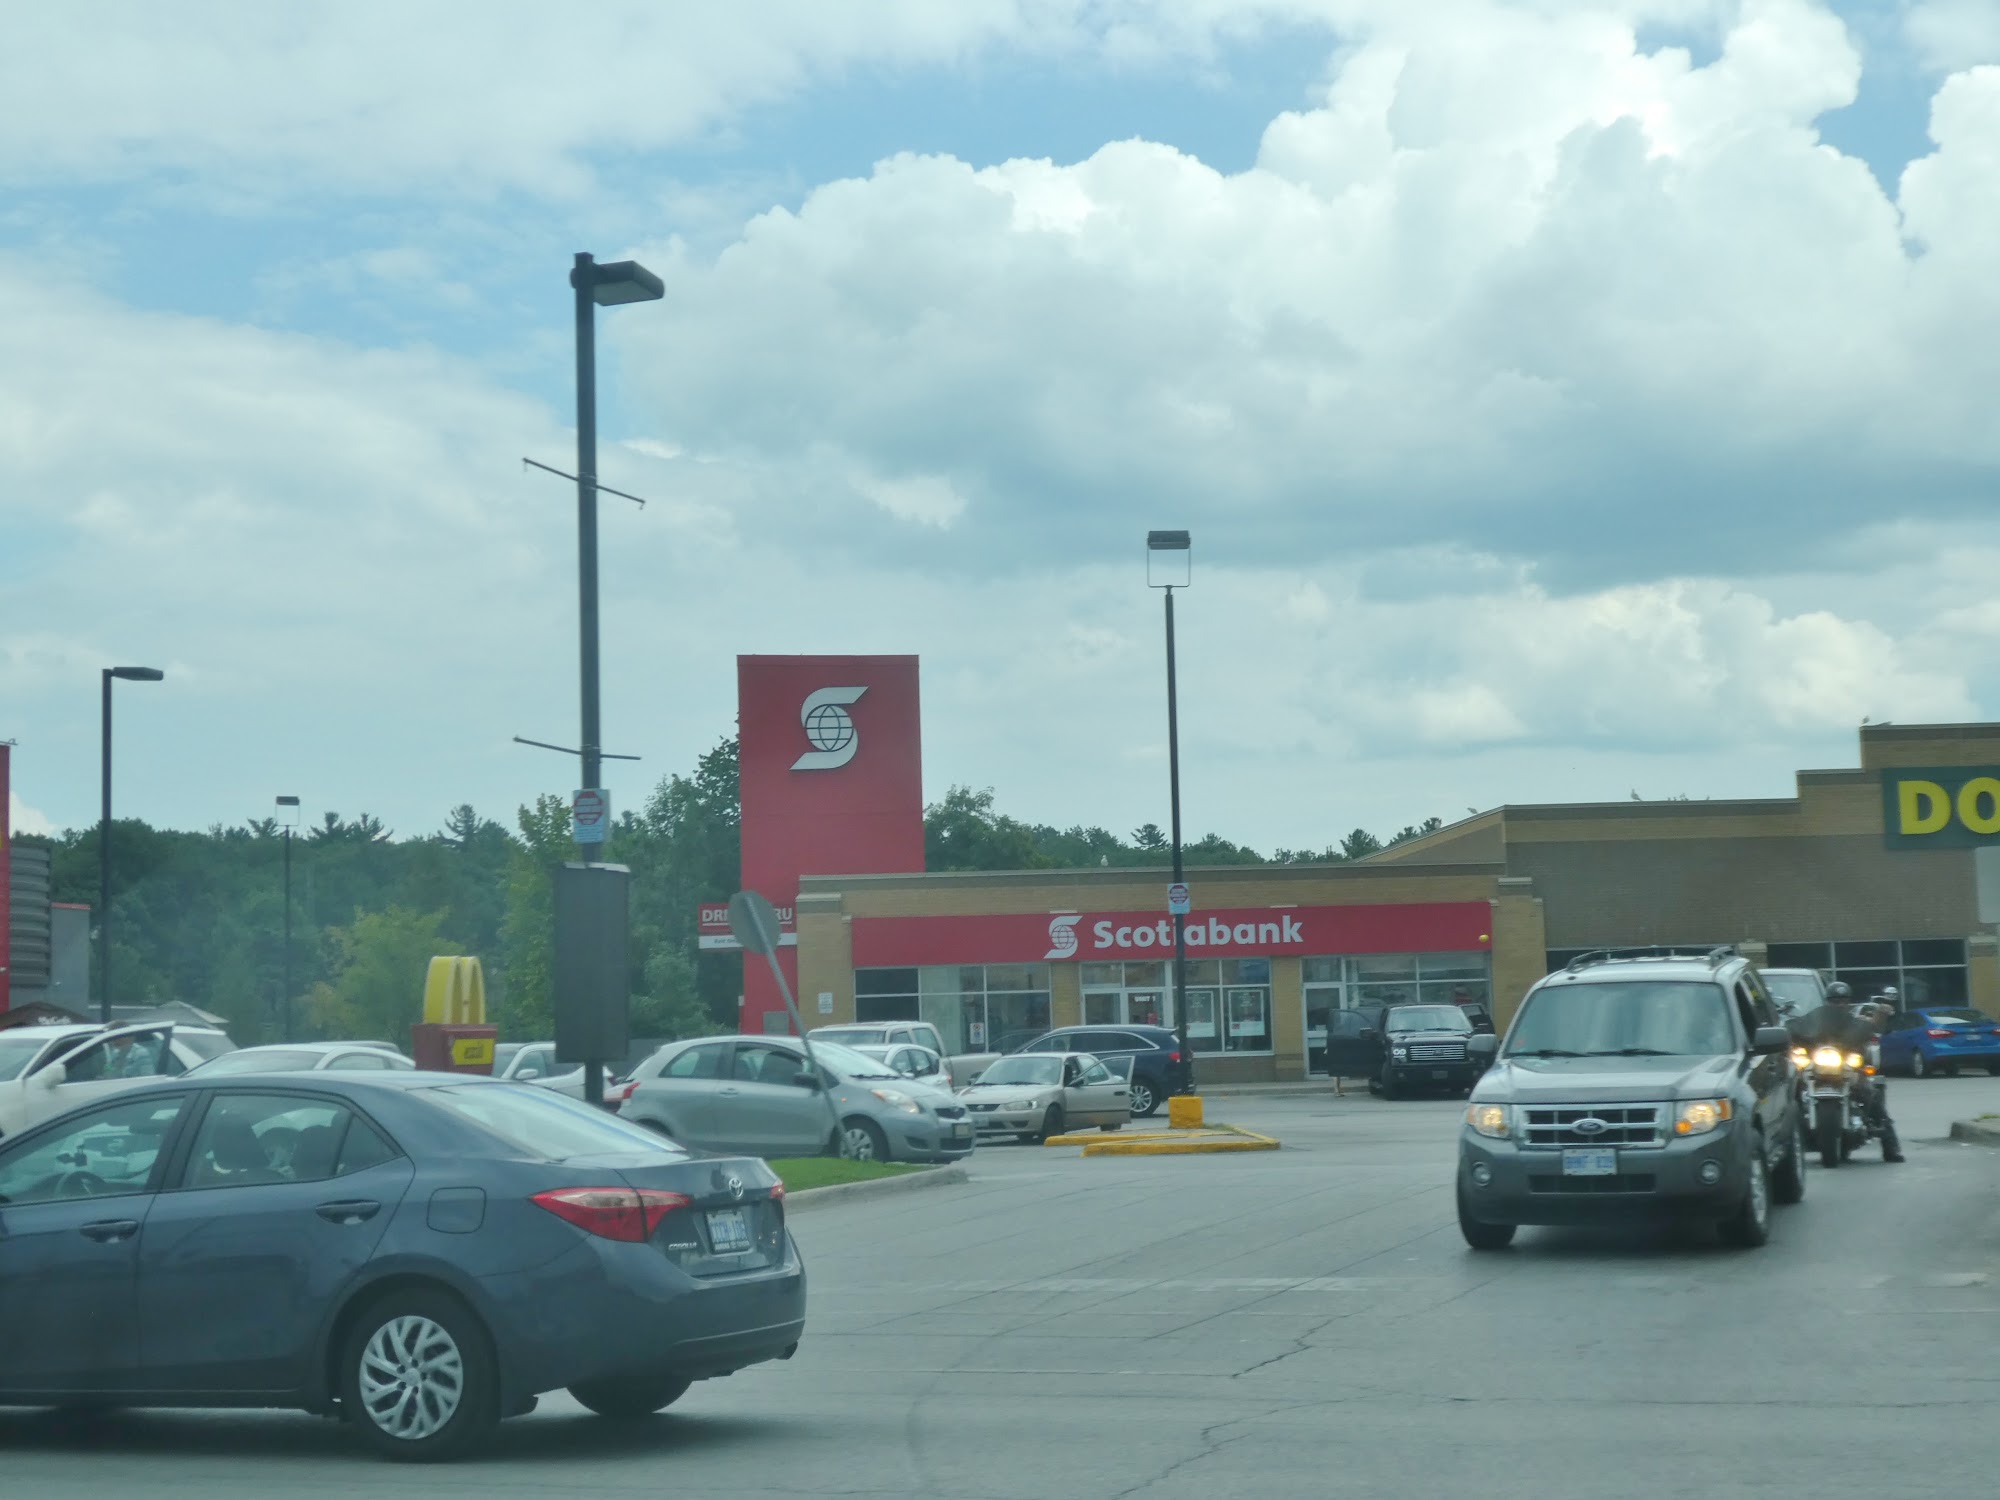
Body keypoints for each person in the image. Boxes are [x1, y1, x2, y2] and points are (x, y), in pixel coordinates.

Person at [1788, 987, 1903, 1162]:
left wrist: (1879, 1017)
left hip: (1848, 1069)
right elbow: (1797, 1033)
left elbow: (1870, 1029)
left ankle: (1891, 1147)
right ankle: (1786, 1141)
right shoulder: (1815, 1023)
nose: (1840, 1004)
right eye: (1835, 1001)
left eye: (1843, 1001)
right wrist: (1790, 1030)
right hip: (1817, 1068)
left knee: (1870, 1094)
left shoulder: (1856, 1023)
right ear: (1827, 1002)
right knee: (1792, 1093)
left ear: (1849, 1002)